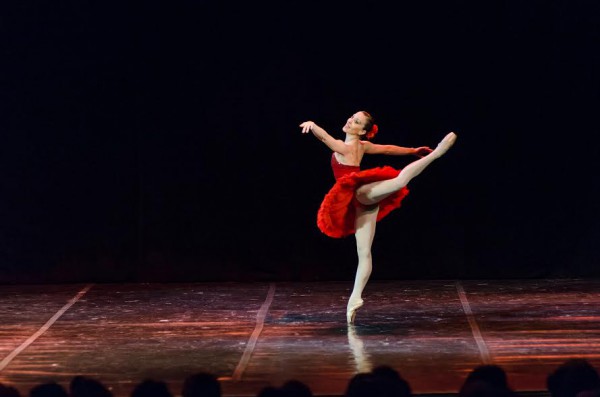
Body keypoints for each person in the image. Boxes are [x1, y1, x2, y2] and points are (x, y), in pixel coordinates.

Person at [300, 111, 456, 323]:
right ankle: (354, 300)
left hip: (360, 194)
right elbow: (389, 149)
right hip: (361, 204)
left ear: (362, 131)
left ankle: (436, 154)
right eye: (351, 117)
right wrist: (412, 150)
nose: (349, 120)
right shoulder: (361, 146)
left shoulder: (345, 146)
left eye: (356, 121)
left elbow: (324, 137)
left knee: (400, 181)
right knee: (364, 253)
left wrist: (312, 124)